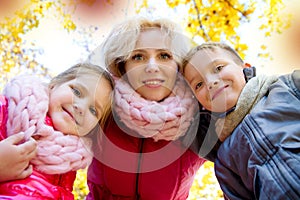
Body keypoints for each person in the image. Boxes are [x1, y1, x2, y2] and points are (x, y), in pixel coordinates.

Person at [87, 17, 206, 200]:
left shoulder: (201, 116)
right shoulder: (101, 107)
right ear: (123, 66)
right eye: (138, 57)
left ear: (179, 67)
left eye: (164, 56)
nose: (152, 67)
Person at [183, 42, 300, 199]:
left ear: (246, 67)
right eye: (198, 84)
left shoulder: (288, 87)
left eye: (218, 68)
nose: (211, 82)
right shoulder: (225, 160)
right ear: (199, 104)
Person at [0, 63, 113, 199]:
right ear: (54, 85)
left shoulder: (70, 161)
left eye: (93, 110)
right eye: (77, 91)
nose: (81, 107)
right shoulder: (6, 110)